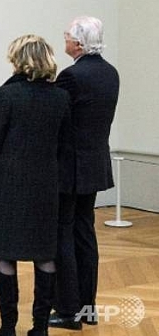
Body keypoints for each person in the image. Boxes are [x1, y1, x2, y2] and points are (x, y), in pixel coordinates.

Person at [0, 35, 70, 336]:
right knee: (45, 255)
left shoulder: (5, 95)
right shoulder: (60, 98)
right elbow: (64, 144)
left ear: (18, 60)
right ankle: (40, 328)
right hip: (46, 185)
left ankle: (8, 328)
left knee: (5, 255)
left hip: (8, 186)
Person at [49, 17, 120, 330]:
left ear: (77, 43)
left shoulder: (71, 76)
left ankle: (68, 310)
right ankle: (87, 308)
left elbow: (56, 118)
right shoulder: (110, 73)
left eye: (67, 36)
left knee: (63, 234)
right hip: (93, 164)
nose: (64, 39)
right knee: (85, 232)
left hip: (69, 167)